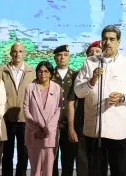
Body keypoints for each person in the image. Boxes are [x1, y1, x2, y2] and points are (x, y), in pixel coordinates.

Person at [74, 25, 126, 176]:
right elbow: (78, 92)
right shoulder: (90, 62)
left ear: (118, 42)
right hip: (94, 132)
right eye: (105, 39)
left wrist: (123, 97)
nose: (108, 42)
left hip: (118, 133)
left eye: (112, 39)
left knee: (119, 172)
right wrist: (91, 80)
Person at [67, 41, 108, 176]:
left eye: (97, 52)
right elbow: (71, 103)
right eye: (90, 52)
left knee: (100, 161)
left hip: (102, 122)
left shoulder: (109, 75)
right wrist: (71, 128)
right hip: (82, 122)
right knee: (83, 161)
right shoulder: (77, 76)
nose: (93, 55)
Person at [0, 42, 36, 176]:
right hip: (6, 120)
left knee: (23, 154)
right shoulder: (2, 71)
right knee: (7, 154)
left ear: (24, 53)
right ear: (10, 53)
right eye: (14, 51)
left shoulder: (32, 71)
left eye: (20, 51)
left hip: (25, 120)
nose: (17, 54)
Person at [23, 61, 62, 176]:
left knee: (48, 171)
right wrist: (37, 129)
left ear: (50, 73)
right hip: (33, 134)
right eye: (40, 71)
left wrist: (47, 129)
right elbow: (26, 110)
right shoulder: (30, 88)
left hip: (49, 135)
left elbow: (58, 110)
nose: (43, 74)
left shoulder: (57, 88)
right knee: (35, 170)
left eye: (46, 71)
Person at [52, 45, 78, 176]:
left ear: (69, 57)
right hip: (51, 124)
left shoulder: (76, 76)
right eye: (59, 55)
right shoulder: (48, 75)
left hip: (69, 124)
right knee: (51, 161)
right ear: (55, 57)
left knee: (68, 160)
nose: (62, 57)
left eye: (65, 55)